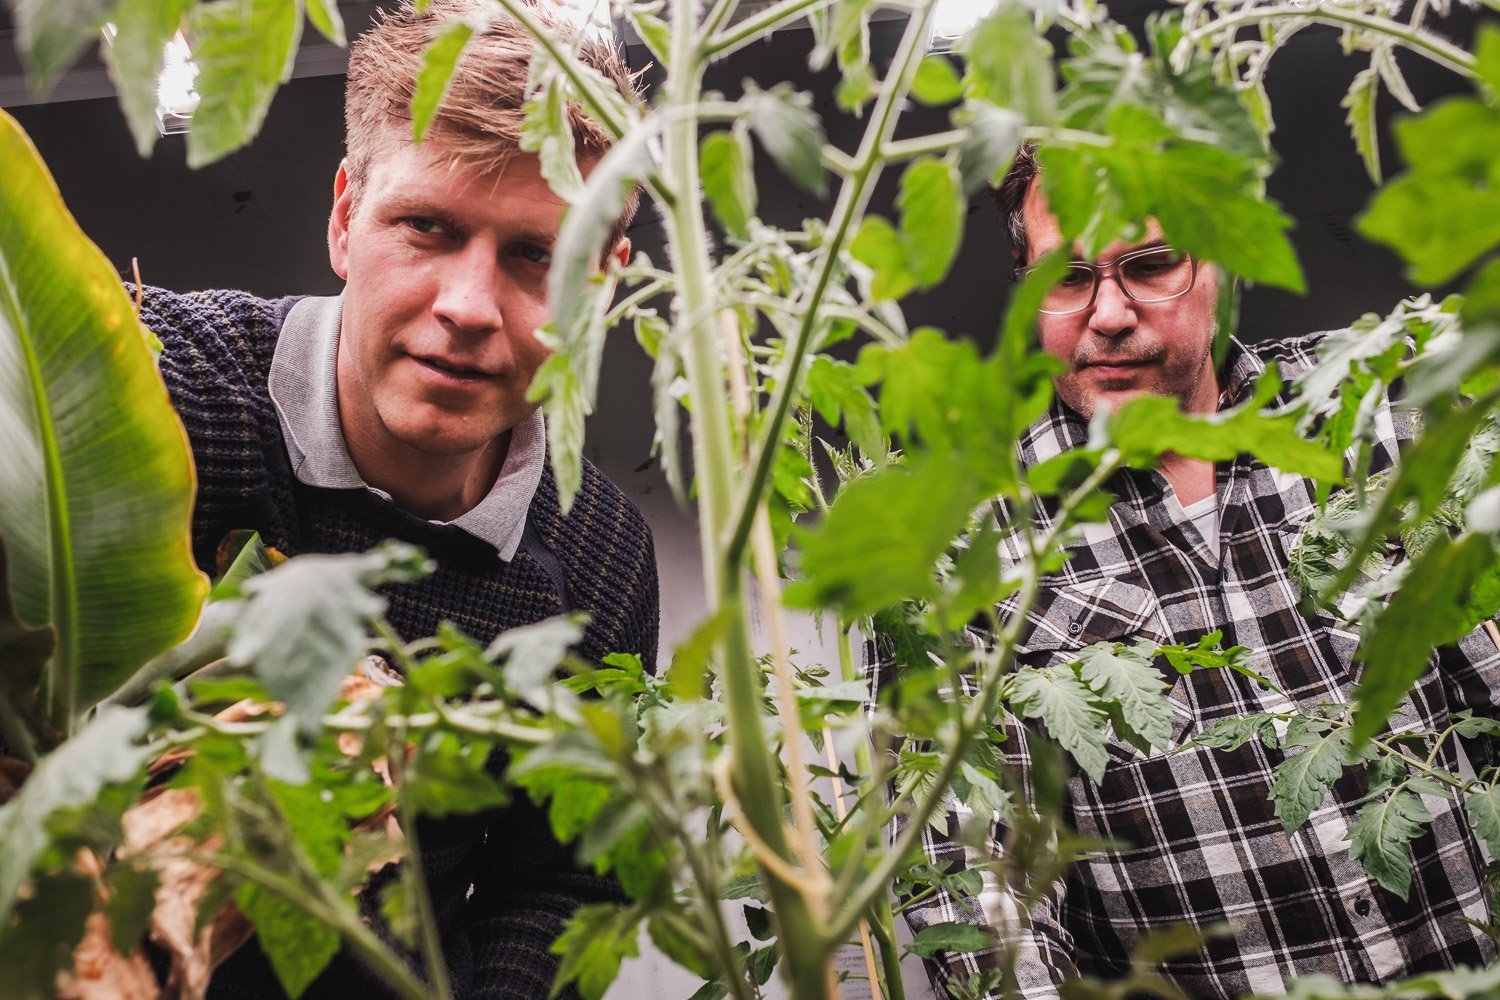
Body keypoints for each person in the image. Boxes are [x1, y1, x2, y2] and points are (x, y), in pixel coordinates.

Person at [135, 2, 660, 997]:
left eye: (534, 255)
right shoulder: (163, 389)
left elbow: (554, 881)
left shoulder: (600, 554)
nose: (466, 306)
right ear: (344, 218)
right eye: (427, 226)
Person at [898, 143, 1500, 998]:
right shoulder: (964, 544)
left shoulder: (1381, 416)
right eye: (1067, 278)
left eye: (1149, 265)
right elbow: (978, 883)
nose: (1107, 314)